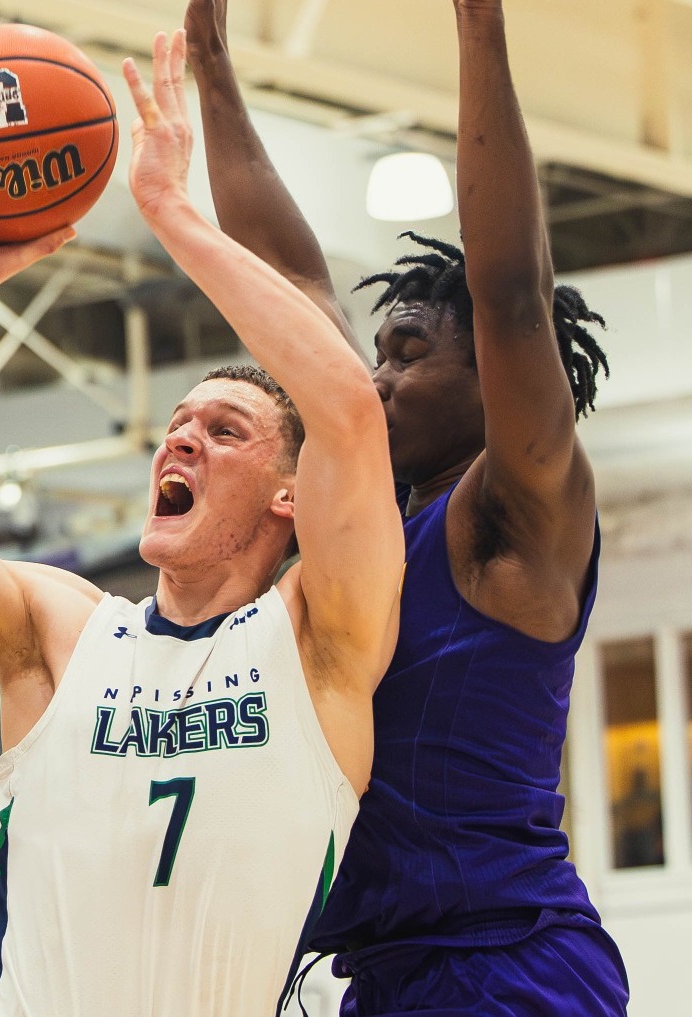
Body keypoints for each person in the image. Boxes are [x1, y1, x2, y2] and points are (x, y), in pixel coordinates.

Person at [0, 30, 404, 1017]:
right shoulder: (58, 633)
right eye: (174, 426)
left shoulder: (319, 639)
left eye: (225, 430)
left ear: (289, 495)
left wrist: (171, 215)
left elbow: (346, 409)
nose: (182, 443)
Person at [184, 0, 627, 1013]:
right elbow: (288, 278)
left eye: (408, 354)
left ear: (498, 382)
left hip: (508, 962)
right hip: (383, 977)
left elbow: (512, 290)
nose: (372, 378)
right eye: (377, 352)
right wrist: (212, 68)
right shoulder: (373, 528)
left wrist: (477, 28)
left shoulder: (513, 519)